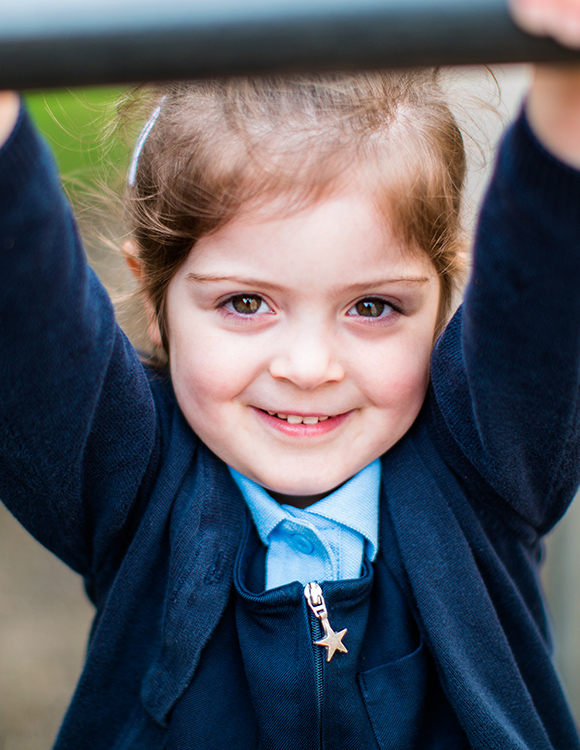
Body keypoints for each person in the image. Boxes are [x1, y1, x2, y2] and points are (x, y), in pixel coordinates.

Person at [1, 0, 580, 747]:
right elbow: (26, 310)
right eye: (246, 303)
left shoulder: (490, 464)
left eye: (373, 306)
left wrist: (567, 87)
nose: (309, 368)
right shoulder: (124, 478)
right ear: (155, 299)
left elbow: (545, 278)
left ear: (445, 299)